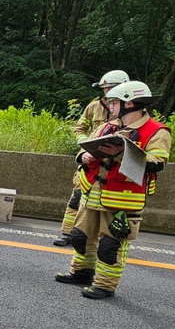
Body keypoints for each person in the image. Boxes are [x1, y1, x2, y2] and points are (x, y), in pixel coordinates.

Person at [54, 81, 171, 298]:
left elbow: (157, 164)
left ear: (131, 103)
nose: (111, 106)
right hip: (92, 192)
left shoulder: (157, 132)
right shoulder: (107, 126)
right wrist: (84, 156)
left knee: (111, 245)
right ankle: (81, 273)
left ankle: (105, 285)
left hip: (123, 200)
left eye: (115, 102)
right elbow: (83, 149)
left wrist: (120, 153)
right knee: (80, 236)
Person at [53, 70, 128, 246]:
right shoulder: (94, 107)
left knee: (110, 204)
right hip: (90, 163)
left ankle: (104, 237)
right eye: (104, 89)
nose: (107, 92)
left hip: (114, 166)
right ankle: (68, 233)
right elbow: (80, 128)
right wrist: (86, 144)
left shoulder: (129, 111)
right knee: (77, 198)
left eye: (110, 88)